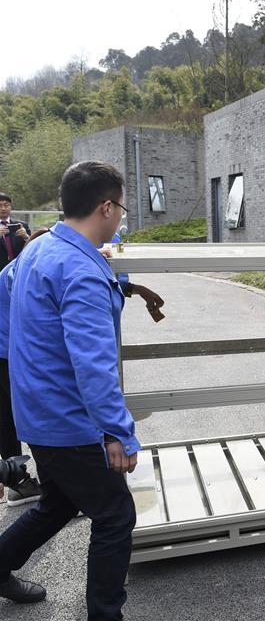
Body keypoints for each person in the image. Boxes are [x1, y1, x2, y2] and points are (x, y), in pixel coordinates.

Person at [0, 161, 139, 616]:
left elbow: (8, 292)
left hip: (37, 412)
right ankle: (104, 614)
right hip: (69, 421)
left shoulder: (39, 250)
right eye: (120, 207)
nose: (121, 217)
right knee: (115, 515)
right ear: (105, 207)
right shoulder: (80, 271)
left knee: (58, 504)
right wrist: (117, 431)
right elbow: (94, 366)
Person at [0, 228, 50, 507]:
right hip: (7, 348)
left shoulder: (20, 264)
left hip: (4, 346)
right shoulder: (28, 270)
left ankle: (17, 482)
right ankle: (57, 488)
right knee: (35, 414)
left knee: (7, 416)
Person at [0, 193, 30, 269]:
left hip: (18, 268)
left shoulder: (22, 225)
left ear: (11, 207)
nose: (3, 208)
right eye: (0, 205)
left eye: (6, 205)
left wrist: (26, 237)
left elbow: (32, 248)